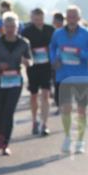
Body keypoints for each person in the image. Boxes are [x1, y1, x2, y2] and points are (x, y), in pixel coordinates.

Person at [50, 5, 88, 154]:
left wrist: (82, 54)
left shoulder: (87, 34)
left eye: (74, 17)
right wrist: (54, 59)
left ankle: (80, 140)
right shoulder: (58, 34)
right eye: (69, 17)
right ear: (66, 18)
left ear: (79, 18)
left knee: (82, 110)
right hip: (63, 75)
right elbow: (52, 47)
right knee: (65, 109)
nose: (72, 19)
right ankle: (67, 137)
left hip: (81, 76)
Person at [0, 12, 32, 155]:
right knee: (0, 111)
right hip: (0, 80)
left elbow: (31, 60)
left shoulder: (24, 43)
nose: (10, 29)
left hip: (16, 81)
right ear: (3, 28)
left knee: (9, 111)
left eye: (13, 26)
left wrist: (27, 62)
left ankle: (5, 143)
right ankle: (0, 130)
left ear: (18, 27)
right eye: (8, 26)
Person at [20, 8, 56, 136]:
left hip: (46, 66)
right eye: (36, 20)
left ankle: (44, 124)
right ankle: (34, 121)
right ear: (31, 19)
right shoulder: (26, 32)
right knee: (34, 95)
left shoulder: (50, 30)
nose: (38, 22)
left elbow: (56, 46)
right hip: (33, 67)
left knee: (45, 94)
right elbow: (22, 50)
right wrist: (28, 55)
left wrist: (50, 51)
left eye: (40, 19)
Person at [51, 12, 66, 111]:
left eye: (55, 20)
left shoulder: (66, 31)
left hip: (66, 61)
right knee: (56, 83)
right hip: (55, 61)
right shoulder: (52, 32)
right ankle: (59, 105)